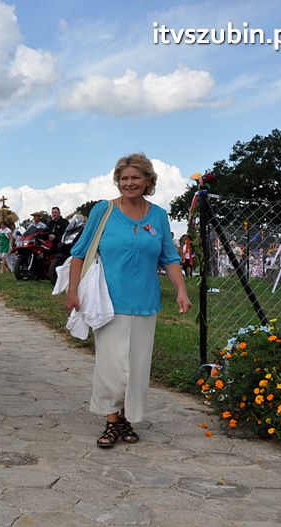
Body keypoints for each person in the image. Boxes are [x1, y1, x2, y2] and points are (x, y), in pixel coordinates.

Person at [65, 153, 191, 448]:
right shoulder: (103, 211)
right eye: (124, 178)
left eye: (135, 178)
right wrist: (73, 291)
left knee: (136, 366)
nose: (129, 183)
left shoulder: (158, 215)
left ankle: (127, 418)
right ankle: (111, 422)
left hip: (145, 301)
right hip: (108, 301)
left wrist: (181, 291)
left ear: (148, 181)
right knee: (111, 365)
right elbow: (79, 253)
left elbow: (170, 258)